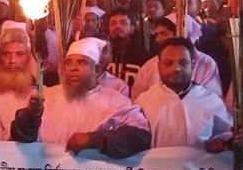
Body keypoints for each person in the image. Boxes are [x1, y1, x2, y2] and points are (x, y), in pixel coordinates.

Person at [11, 37, 151, 158]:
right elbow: (24, 139)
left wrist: (94, 139)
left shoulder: (115, 102)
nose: (73, 68)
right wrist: (29, 119)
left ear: (97, 69)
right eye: (69, 62)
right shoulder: (47, 96)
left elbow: (140, 136)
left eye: (82, 63)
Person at [134, 38, 233, 149]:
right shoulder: (144, 102)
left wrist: (220, 141)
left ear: (192, 65)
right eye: (168, 63)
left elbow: (227, 134)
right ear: (158, 66)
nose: (176, 69)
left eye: (183, 63)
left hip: (199, 160)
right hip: (155, 161)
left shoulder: (211, 101)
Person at [131, 17, 222, 100]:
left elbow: (212, 100)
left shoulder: (206, 63)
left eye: (163, 34)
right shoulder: (150, 65)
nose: (158, 39)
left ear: (179, 34)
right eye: (157, 34)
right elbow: (138, 98)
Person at [106, 7, 149, 89]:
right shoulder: (102, 55)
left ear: (132, 28)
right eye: (113, 23)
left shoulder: (144, 58)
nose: (117, 26)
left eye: (123, 23)